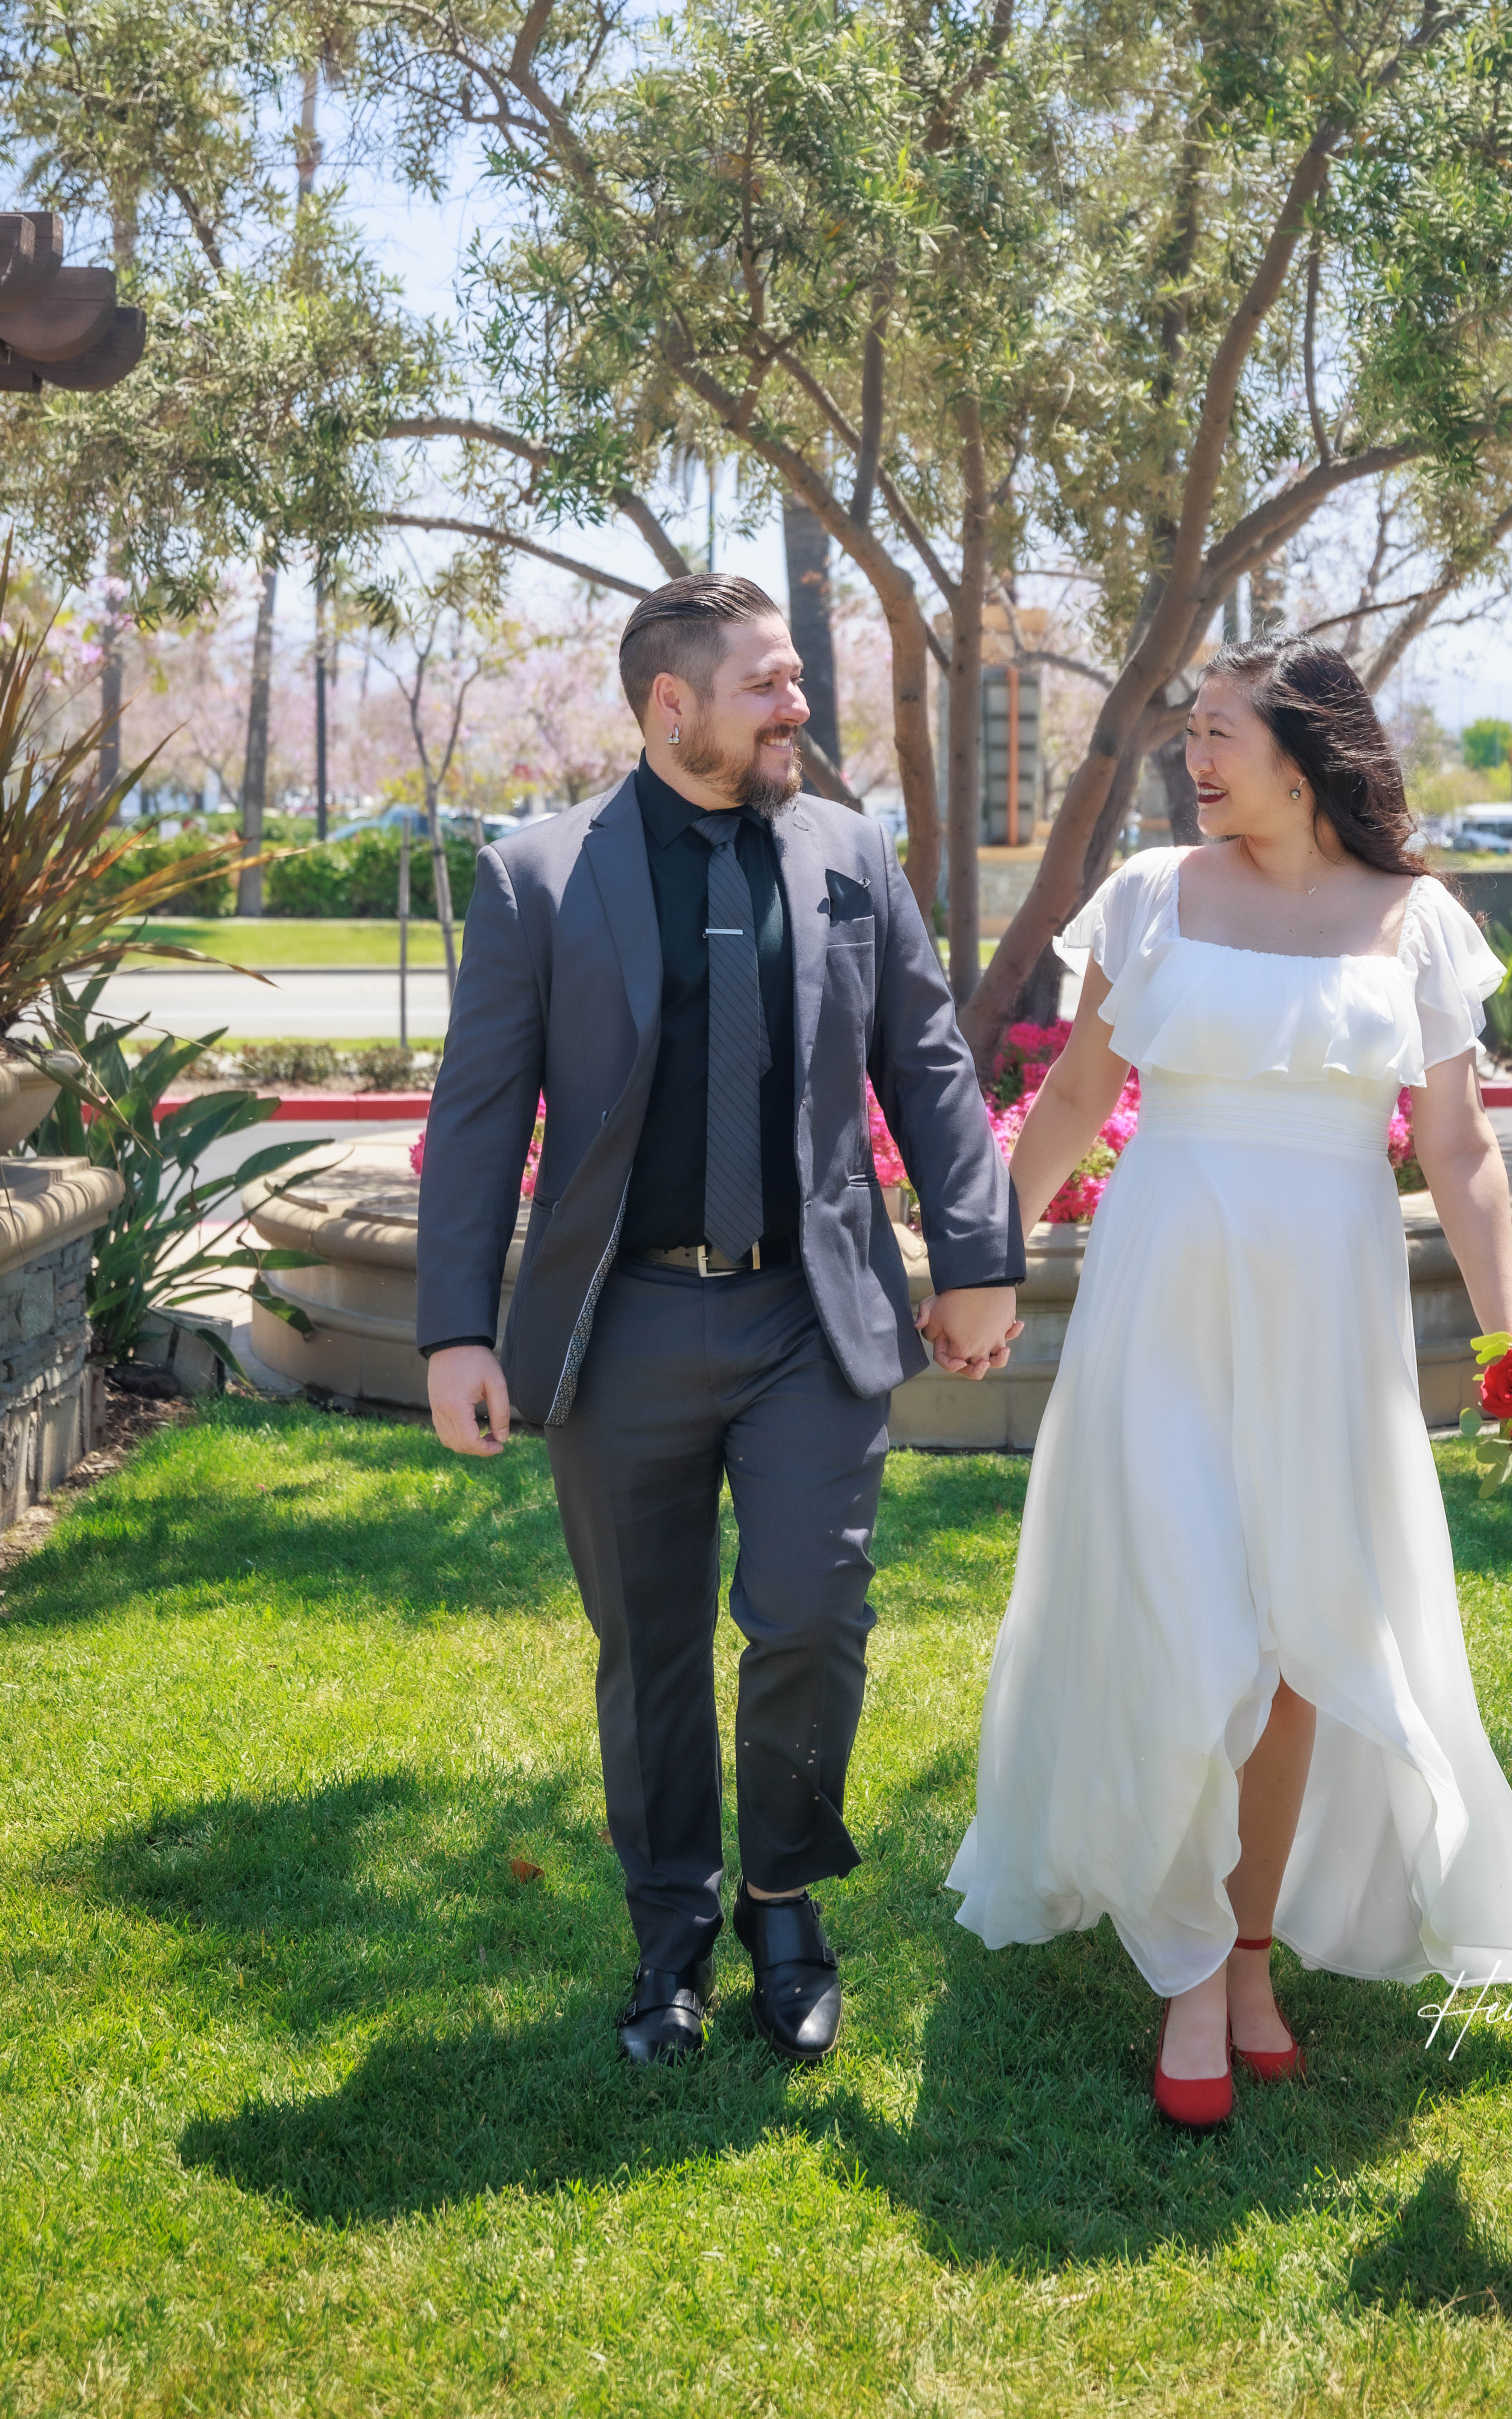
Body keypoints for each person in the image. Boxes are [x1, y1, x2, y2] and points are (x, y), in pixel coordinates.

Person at [948, 637, 1512, 2127]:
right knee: (1186, 1614)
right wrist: (978, 1261)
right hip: (1163, 1294)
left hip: (1328, 1318)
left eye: (1217, 731)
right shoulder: (1149, 895)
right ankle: (1183, 1966)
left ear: (1301, 759)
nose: (1192, 755)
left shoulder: (1416, 920)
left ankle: (1246, 1952)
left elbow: (1460, 1151)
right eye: (1189, 731)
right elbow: (1078, 1092)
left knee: (1300, 1644)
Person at [417, 572, 1023, 2068]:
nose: (796, 706)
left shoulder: (847, 852)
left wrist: (976, 1253)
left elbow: (927, 1060)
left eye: (797, 679)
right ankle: (671, 1926)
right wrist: (454, 1329)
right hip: (620, 1320)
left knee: (812, 1612)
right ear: (671, 704)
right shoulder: (537, 876)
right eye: (767, 684)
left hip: (807, 1314)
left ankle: (784, 1902)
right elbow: (480, 1111)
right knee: (650, 1646)